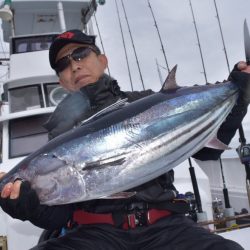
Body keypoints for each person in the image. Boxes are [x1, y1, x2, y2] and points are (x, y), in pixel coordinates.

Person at [0, 29, 250, 250]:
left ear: (102, 60)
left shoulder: (145, 100)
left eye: (80, 54)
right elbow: (58, 217)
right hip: (94, 233)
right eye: (63, 64)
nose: (74, 66)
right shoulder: (59, 131)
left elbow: (207, 151)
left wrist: (238, 94)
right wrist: (26, 206)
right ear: (61, 81)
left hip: (165, 225)